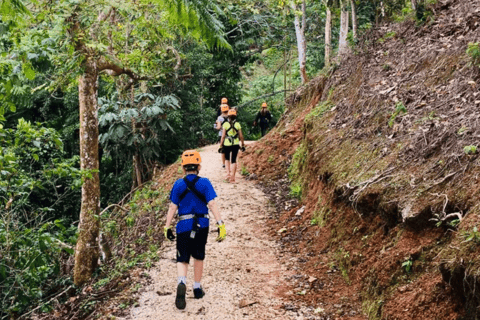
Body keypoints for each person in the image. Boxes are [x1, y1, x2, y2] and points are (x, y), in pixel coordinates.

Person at [164, 150, 227, 310]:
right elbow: (212, 204)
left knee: (182, 258)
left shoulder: (178, 184)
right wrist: (221, 224)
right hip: (201, 224)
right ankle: (197, 288)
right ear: (198, 166)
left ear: (183, 168)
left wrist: (167, 226)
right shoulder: (205, 182)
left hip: (183, 225)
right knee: (199, 256)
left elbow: (173, 207)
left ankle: (181, 282)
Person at [220, 108, 245, 183]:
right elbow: (241, 136)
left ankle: (228, 174)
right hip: (236, 144)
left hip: (227, 144)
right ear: (235, 116)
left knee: (227, 159)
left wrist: (221, 145)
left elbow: (223, 136)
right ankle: (233, 177)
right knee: (233, 160)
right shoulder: (237, 124)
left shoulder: (225, 124)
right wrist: (243, 144)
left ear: (228, 116)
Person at [216, 104, 229, 168]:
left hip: (222, 135)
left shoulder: (220, 118)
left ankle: (224, 164)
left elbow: (218, 127)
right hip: (230, 135)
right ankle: (229, 162)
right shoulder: (231, 116)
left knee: (223, 150)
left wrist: (216, 127)